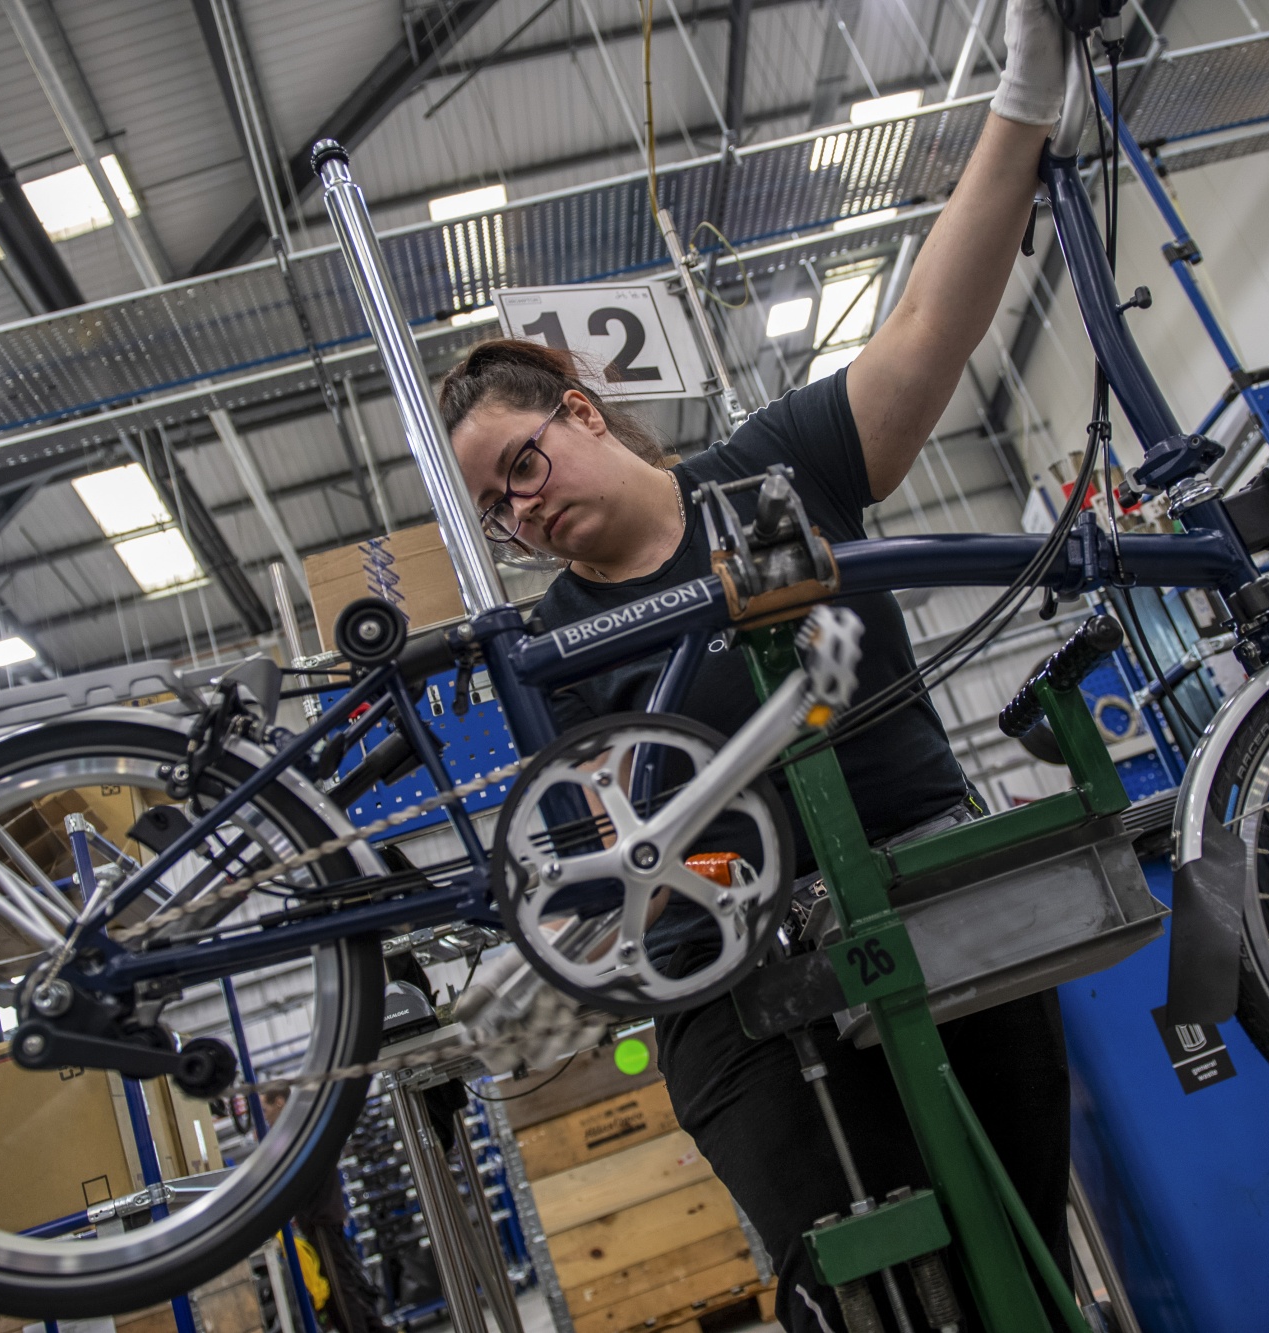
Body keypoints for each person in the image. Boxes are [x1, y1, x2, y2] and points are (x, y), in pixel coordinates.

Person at [441, 1, 1073, 1324]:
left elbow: (924, 331)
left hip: (935, 898)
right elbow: (600, 881)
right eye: (496, 510)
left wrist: (1027, 87)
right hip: (738, 994)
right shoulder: (552, 650)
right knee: (874, 1300)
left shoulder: (772, 475)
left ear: (579, 409)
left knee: (1023, 1263)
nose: (518, 510)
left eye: (520, 467)